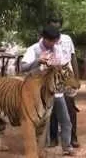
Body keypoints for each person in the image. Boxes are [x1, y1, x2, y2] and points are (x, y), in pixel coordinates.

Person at [21, 25, 75, 156]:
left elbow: (64, 66)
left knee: (66, 120)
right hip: (38, 94)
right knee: (41, 123)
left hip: (56, 92)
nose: (53, 44)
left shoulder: (57, 49)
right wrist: (37, 61)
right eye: (51, 41)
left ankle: (67, 146)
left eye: (55, 41)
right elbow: (23, 67)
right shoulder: (33, 49)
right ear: (44, 38)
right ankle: (40, 149)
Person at [47, 17, 81, 148]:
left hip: (67, 79)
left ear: (61, 26)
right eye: (52, 26)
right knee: (52, 109)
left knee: (70, 108)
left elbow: (73, 58)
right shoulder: (45, 41)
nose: (55, 28)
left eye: (57, 26)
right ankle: (53, 138)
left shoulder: (67, 39)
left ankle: (73, 138)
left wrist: (76, 78)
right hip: (52, 81)